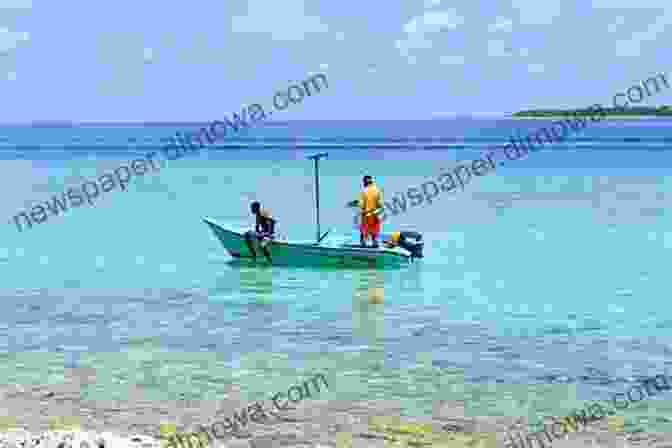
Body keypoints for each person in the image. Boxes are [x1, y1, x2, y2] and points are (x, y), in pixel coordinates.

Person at [348, 175, 383, 248]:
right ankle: (375, 246)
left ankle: (363, 249)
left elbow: (361, 204)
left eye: (363, 181)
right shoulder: (377, 190)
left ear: (365, 182)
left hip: (366, 216)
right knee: (374, 235)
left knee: (363, 235)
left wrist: (353, 203)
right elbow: (380, 205)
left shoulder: (364, 191)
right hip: (375, 215)